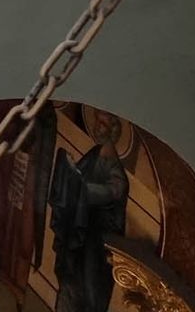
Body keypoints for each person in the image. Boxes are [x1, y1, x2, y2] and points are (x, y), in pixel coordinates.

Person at [49, 113, 130, 312]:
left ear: (113, 131)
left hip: (94, 244)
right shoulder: (96, 153)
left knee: (86, 292)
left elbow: (115, 190)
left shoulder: (111, 163)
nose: (97, 127)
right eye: (97, 121)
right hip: (80, 235)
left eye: (102, 123)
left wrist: (84, 189)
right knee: (70, 285)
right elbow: (77, 178)